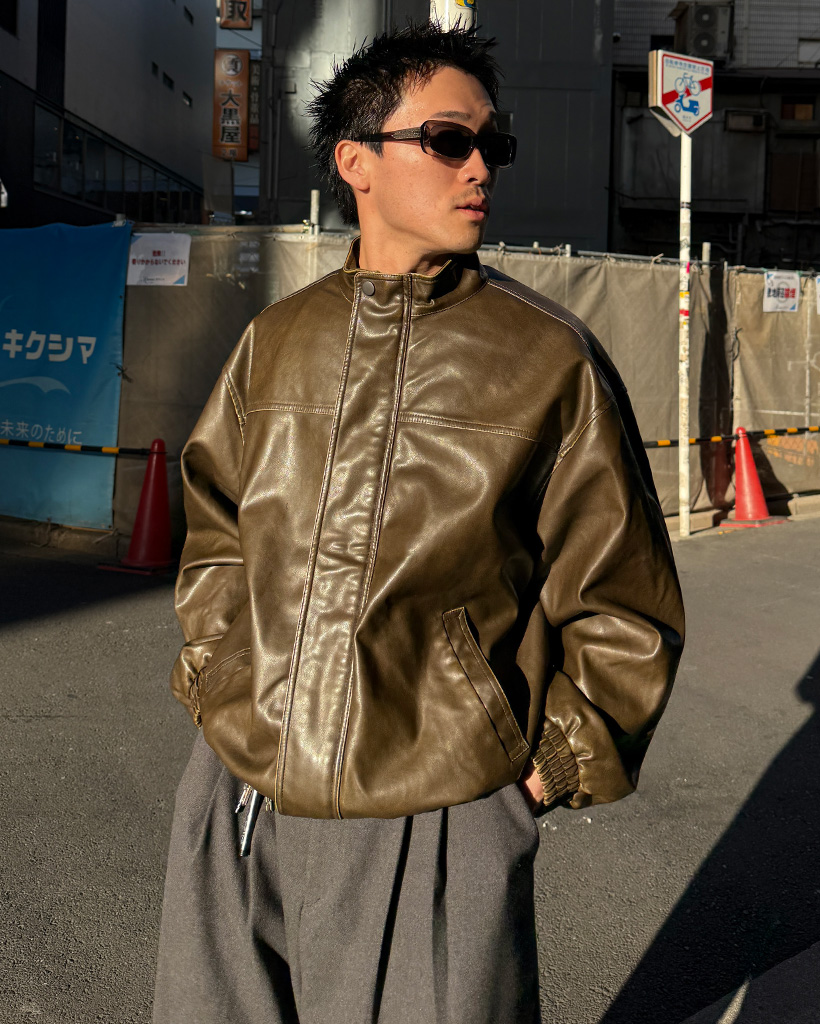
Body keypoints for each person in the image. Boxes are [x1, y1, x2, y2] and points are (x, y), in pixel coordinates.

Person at [152, 21, 685, 1024]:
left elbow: (624, 600)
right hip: (240, 784)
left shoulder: (546, 359)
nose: (480, 167)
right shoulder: (278, 340)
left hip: (435, 803)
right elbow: (217, 528)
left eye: (492, 145)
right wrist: (219, 674)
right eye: (448, 140)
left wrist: (545, 765)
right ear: (356, 160)